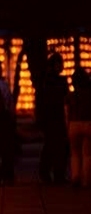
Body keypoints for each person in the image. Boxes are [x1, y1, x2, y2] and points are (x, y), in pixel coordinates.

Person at [38, 53, 70, 184]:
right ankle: (56, 174)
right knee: (56, 146)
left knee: (54, 146)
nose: (61, 66)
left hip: (53, 118)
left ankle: (53, 173)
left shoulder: (47, 81)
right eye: (59, 63)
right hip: (54, 117)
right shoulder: (55, 81)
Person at [66, 67, 91, 187]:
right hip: (88, 124)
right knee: (87, 154)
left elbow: (66, 112)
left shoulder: (71, 96)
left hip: (74, 124)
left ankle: (75, 176)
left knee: (74, 154)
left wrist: (67, 125)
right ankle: (87, 180)